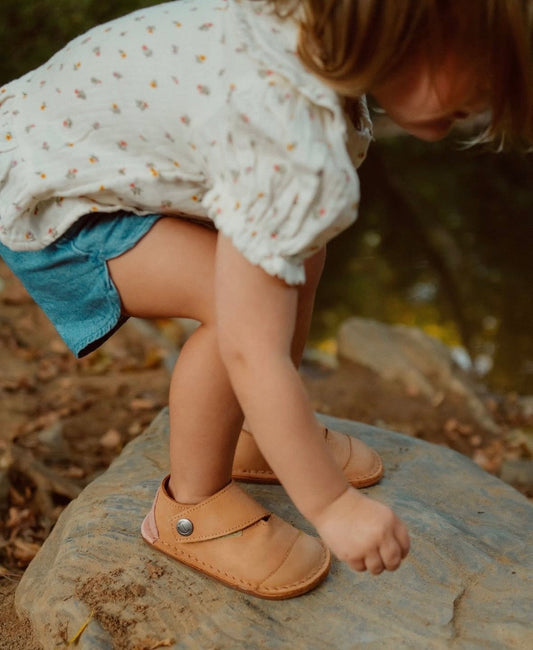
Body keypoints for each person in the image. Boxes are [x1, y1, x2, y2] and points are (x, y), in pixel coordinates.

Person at [0, 0, 531, 599]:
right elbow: (253, 349)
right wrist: (331, 505)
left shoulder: (313, 37)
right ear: (394, 29)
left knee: (297, 255)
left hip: (83, 152)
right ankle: (191, 507)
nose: (492, 92)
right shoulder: (281, 127)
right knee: (236, 317)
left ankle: (258, 428)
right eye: (485, 65)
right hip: (57, 200)